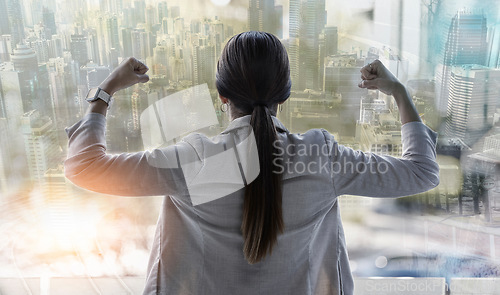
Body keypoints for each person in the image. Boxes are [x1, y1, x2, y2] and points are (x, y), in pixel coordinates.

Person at [64, 31, 439, 295]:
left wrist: (106, 90)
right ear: (285, 95)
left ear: (222, 96)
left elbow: (83, 166)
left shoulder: (194, 162)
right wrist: (399, 92)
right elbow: (422, 171)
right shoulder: (321, 158)